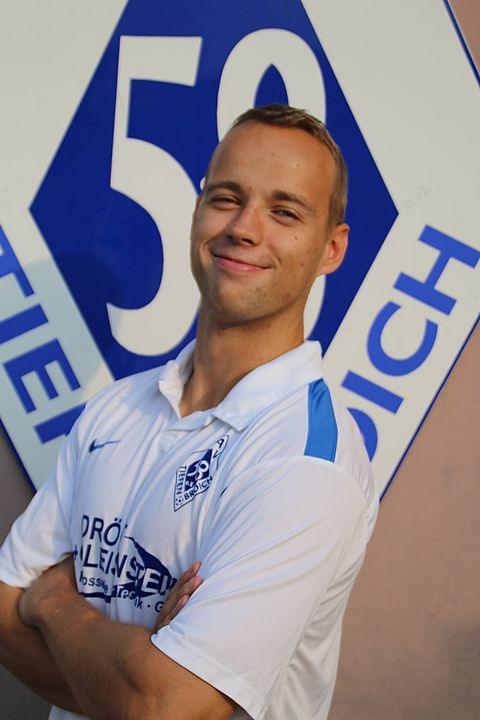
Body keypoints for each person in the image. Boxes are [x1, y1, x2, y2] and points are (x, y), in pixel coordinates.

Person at [0, 104, 378, 720]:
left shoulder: (307, 460)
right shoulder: (115, 409)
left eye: (284, 212)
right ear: (198, 209)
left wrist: (55, 603)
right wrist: (132, 672)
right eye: (227, 198)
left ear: (331, 248)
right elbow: (2, 607)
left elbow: (166, 708)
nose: (244, 228)